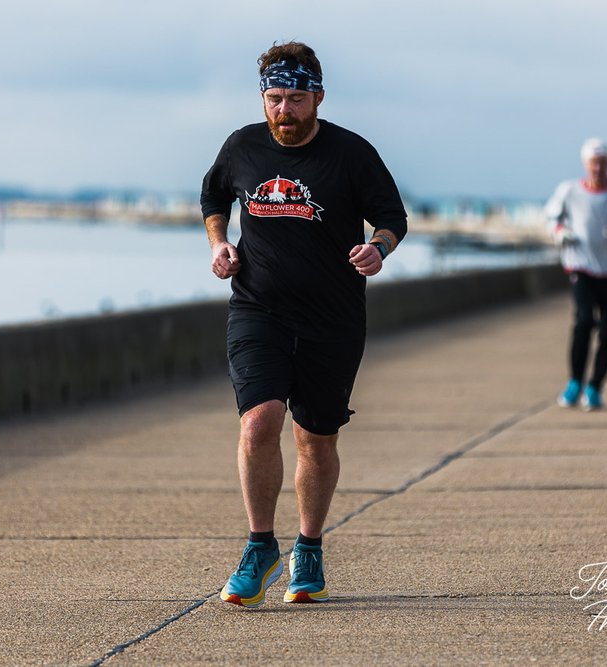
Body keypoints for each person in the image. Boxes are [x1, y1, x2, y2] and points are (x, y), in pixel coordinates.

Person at [200, 41, 407, 607]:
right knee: (258, 423)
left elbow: (392, 216)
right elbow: (214, 193)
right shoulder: (241, 146)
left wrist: (378, 248)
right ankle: (260, 545)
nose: (283, 110)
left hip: (332, 319)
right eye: (274, 98)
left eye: (295, 98)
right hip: (257, 310)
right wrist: (220, 244)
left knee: (315, 438)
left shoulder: (351, 154)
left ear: (317, 96)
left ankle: (308, 546)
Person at [545, 138, 607, 411]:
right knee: (584, 321)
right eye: (592, 163)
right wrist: (560, 233)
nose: (597, 168)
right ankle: (574, 381)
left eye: (602, 163)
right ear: (585, 165)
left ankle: (595, 386)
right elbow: (551, 218)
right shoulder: (569, 191)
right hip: (581, 268)